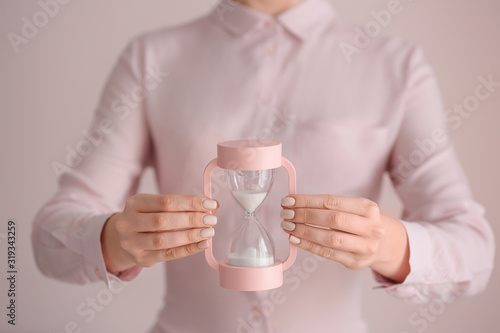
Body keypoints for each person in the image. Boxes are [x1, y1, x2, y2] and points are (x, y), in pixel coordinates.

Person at [32, 0, 495, 332]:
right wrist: (114, 238)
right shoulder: (151, 58)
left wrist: (390, 245)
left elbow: (475, 253)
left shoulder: (396, 65)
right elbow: (47, 237)